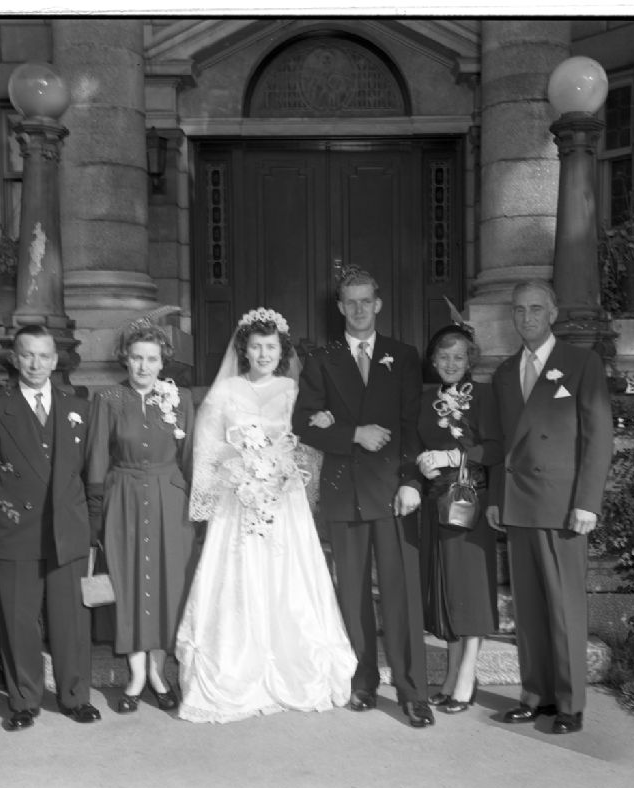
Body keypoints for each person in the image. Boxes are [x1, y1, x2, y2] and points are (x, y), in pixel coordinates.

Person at [174, 307, 357, 723]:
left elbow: (308, 443)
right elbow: (207, 447)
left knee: (287, 575)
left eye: (270, 347)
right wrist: (240, 463)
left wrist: (284, 463)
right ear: (244, 349)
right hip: (238, 499)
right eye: (256, 347)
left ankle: (294, 667)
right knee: (239, 575)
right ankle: (238, 667)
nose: (263, 354)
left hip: (283, 499)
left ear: (282, 350)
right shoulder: (225, 392)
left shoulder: (294, 392)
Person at [292, 265, 434, 729]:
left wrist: (412, 481)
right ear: (339, 307)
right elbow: (303, 422)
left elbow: (412, 424)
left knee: (401, 595)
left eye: (365, 301)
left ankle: (413, 691)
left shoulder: (403, 355)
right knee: (352, 594)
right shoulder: (322, 359)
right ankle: (363, 681)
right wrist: (354, 433)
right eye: (349, 302)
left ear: (378, 304)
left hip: (394, 492)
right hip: (345, 492)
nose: (358, 310)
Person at [486, 279, 613, 734]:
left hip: (562, 506)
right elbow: (500, 443)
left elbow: (599, 436)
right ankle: (535, 695)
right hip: (519, 502)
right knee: (530, 608)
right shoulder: (504, 372)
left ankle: (570, 703)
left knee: (564, 606)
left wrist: (588, 502)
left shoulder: (581, 363)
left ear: (553, 313)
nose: (527, 317)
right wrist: (496, 498)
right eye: (519, 310)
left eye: (536, 308)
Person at [0, 324, 101, 731]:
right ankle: (24, 701)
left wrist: (88, 524)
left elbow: (91, 470)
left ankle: (75, 696)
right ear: (15, 358)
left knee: (70, 620)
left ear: (56, 361)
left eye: (44, 356)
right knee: (18, 619)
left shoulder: (80, 408)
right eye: (27, 355)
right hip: (16, 529)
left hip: (67, 528)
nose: (36, 363)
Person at [85, 319, 198, 714]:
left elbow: (190, 457)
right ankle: (135, 677)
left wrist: (196, 508)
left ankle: (158, 673)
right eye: (136, 358)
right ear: (125, 359)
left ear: (162, 362)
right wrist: (96, 517)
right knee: (128, 584)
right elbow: (97, 460)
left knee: (168, 586)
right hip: (124, 501)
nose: (144, 366)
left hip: (171, 502)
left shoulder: (181, 399)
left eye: (151, 359)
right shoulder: (108, 399)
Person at [415, 322, 501, 714]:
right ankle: (451, 675)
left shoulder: (482, 396)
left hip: (469, 504)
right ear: (433, 360)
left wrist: (454, 456)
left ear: (470, 361)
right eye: (444, 356)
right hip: (436, 504)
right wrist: (422, 463)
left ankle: (467, 675)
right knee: (448, 592)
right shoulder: (424, 399)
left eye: (459, 357)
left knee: (470, 590)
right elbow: (414, 443)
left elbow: (496, 447)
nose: (451, 363)